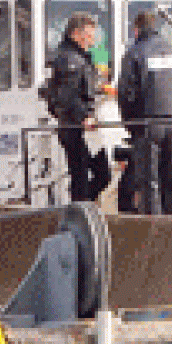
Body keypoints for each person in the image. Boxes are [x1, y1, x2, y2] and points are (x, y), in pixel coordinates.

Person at [116, 10, 172, 214]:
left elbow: (126, 93)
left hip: (147, 126)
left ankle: (154, 233)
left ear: (136, 30)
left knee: (149, 183)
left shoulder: (134, 54)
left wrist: (130, 125)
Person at [46, 12, 110, 203]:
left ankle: (82, 209)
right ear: (76, 34)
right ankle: (80, 211)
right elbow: (68, 96)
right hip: (75, 127)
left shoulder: (79, 57)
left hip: (82, 127)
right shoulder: (69, 59)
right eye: (89, 35)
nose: (92, 39)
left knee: (98, 175)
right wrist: (85, 117)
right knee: (83, 176)